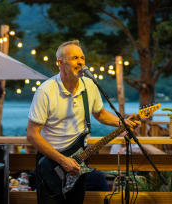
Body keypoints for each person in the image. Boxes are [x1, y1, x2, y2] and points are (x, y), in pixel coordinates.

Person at [26, 40, 140, 204]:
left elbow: (100, 113)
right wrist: (62, 160)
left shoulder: (89, 85)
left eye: (82, 57)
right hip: (51, 163)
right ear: (60, 62)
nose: (80, 62)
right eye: (74, 58)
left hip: (79, 160)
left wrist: (123, 123)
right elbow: (32, 135)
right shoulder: (46, 91)